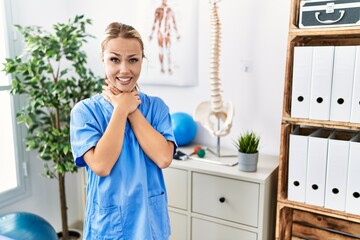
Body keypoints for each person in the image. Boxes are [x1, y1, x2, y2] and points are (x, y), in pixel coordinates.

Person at [70, 22, 176, 240]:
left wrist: (131, 109)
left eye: (133, 60)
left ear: (141, 61)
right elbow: (101, 165)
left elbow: (164, 158)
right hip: (109, 227)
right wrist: (120, 109)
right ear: (103, 60)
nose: (125, 69)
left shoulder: (156, 108)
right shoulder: (85, 111)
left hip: (151, 224)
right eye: (115, 59)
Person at [149, 0, 180, 74]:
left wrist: (177, 34)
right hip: (160, 32)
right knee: (161, 50)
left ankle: (169, 67)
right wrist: (151, 34)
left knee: (168, 51)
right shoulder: (158, 10)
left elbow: (174, 22)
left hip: (167, 33)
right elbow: (155, 22)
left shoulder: (170, 10)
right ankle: (162, 67)